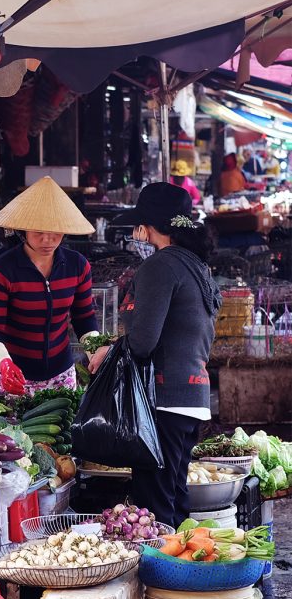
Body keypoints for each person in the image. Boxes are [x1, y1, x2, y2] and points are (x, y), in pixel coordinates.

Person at [89, 182, 222, 528]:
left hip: (164, 402)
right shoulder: (196, 266)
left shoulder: (161, 267)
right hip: (191, 399)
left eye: (139, 226)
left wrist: (109, 350)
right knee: (174, 501)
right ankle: (181, 575)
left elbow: (143, 342)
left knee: (155, 510)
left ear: (147, 227)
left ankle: (166, 577)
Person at [0, 176, 99, 397]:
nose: (48, 239)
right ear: (23, 231)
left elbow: (84, 319)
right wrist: (5, 365)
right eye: (39, 232)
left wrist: (96, 352)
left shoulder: (77, 265)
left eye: (55, 231)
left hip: (61, 374)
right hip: (11, 375)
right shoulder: (3, 269)